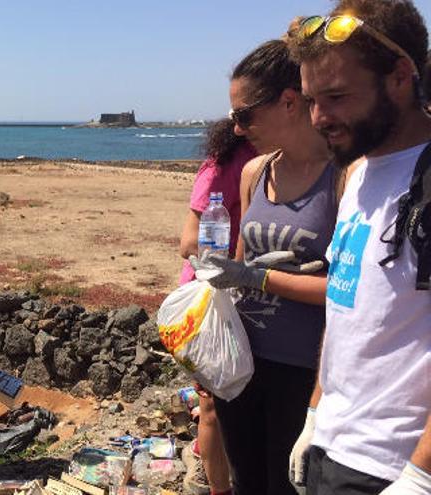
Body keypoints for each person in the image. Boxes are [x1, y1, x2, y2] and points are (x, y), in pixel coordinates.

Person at [285, 1, 431, 493]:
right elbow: (345, 305)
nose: (319, 117)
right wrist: (313, 413)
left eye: (337, 96)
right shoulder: (356, 172)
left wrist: (420, 474)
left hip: (394, 465)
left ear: (400, 77)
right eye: (310, 99)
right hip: (331, 447)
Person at [190, 39, 338, 495]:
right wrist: (207, 332)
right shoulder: (256, 171)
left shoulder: (344, 174)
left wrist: (259, 278)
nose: (236, 129)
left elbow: (348, 291)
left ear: (289, 102)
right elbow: (236, 265)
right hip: (243, 363)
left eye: (245, 115)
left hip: (302, 369)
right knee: (247, 481)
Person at [178, 119, 256, 495]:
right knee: (212, 407)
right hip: (213, 305)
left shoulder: (282, 159)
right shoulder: (226, 163)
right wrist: (235, 270)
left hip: (248, 300)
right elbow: (189, 243)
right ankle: (215, 487)